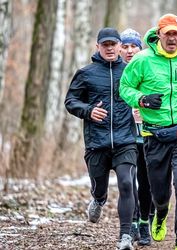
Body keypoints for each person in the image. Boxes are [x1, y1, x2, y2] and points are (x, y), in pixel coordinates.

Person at [119, 14, 177, 250]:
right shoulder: (142, 60)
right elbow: (124, 87)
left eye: (175, 33)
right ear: (158, 34)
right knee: (159, 193)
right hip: (154, 136)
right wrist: (142, 99)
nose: (171, 38)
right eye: (167, 33)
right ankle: (161, 212)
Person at [64, 27, 137, 250]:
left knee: (126, 183)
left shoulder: (131, 71)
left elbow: (144, 94)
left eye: (113, 44)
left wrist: (142, 107)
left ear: (119, 46)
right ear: (98, 47)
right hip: (97, 142)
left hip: (125, 140)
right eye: (105, 45)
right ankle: (98, 199)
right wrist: (88, 111)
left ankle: (125, 236)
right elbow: (70, 101)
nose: (109, 48)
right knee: (99, 187)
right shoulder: (86, 73)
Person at [120, 28, 154, 246]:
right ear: (120, 49)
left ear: (140, 49)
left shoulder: (148, 68)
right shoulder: (116, 71)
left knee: (147, 182)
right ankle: (132, 223)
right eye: (126, 46)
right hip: (125, 137)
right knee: (127, 182)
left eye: (134, 46)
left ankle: (145, 222)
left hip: (149, 136)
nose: (130, 50)